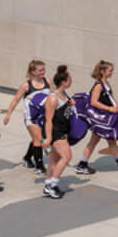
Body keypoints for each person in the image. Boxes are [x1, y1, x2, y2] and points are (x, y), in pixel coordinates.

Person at [74, 59, 118, 173]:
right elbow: (93, 102)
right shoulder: (98, 85)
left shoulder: (105, 83)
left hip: (105, 118)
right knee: (106, 140)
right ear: (102, 71)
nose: (112, 72)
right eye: (110, 70)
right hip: (102, 118)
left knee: (102, 141)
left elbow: (110, 99)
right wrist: (109, 108)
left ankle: (83, 164)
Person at [36, 64, 84, 199]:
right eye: (69, 79)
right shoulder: (52, 98)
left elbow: (66, 111)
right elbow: (48, 120)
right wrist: (49, 138)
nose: (71, 81)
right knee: (67, 156)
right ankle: (53, 186)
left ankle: (47, 185)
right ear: (63, 81)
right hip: (55, 131)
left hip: (62, 130)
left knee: (54, 159)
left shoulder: (64, 94)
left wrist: (71, 103)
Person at [0, 58, 50, 173]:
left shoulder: (47, 81)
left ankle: (27, 158)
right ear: (33, 72)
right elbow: (15, 100)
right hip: (31, 117)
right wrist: (8, 114)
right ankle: (40, 166)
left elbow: (53, 95)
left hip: (43, 116)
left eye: (43, 70)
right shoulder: (26, 86)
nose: (43, 72)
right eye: (40, 70)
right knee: (38, 140)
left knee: (36, 139)